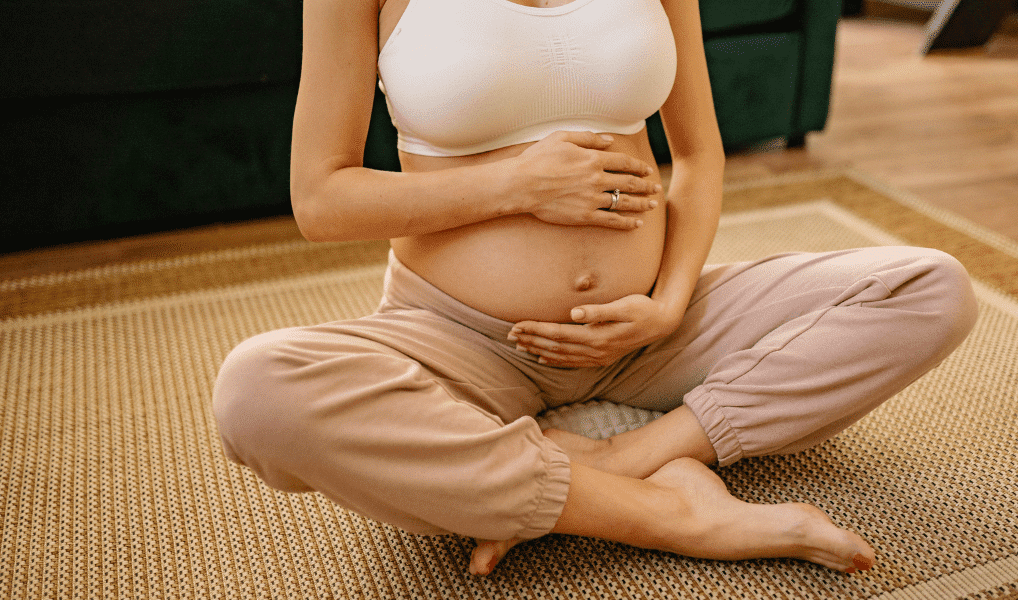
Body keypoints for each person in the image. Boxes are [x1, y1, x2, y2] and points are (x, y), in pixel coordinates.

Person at [212, 0, 978, 578]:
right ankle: (668, 513)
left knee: (928, 288)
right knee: (257, 389)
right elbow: (321, 199)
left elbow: (701, 158)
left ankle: (618, 453)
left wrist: (669, 303)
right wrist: (516, 185)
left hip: (650, 335)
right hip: (462, 343)